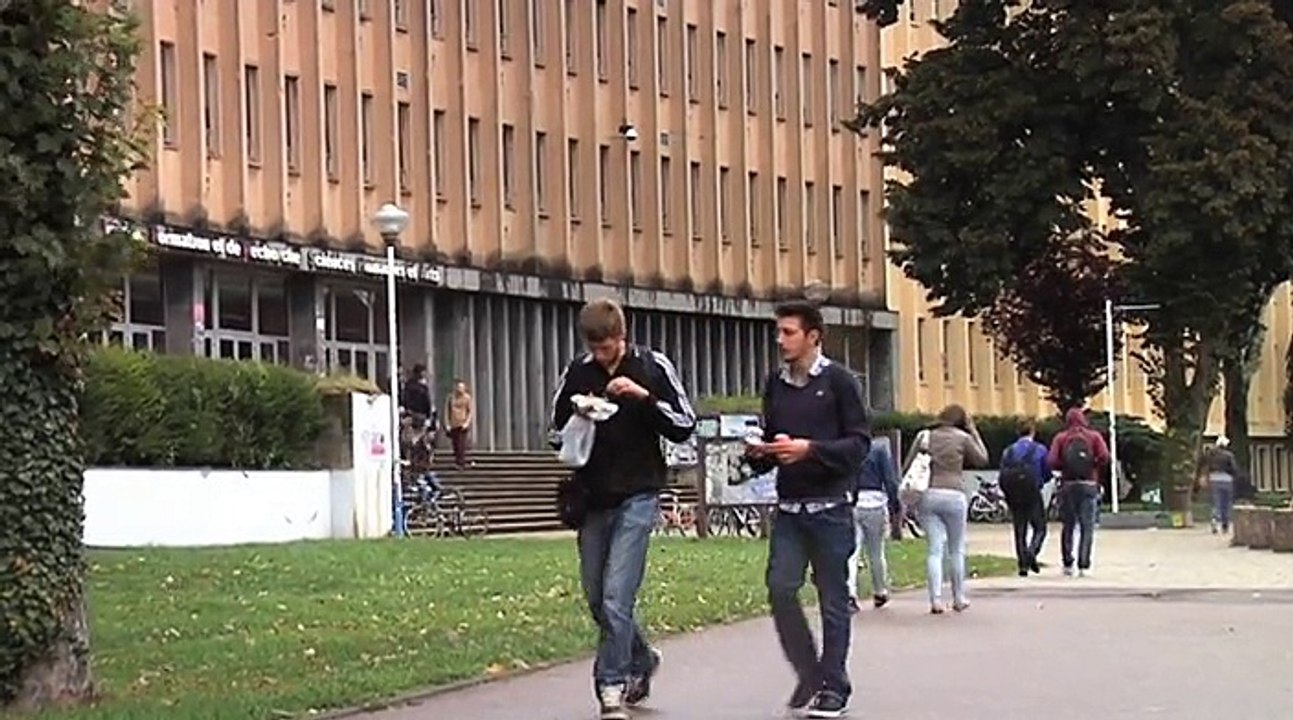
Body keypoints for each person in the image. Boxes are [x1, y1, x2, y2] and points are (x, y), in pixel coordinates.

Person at [549, 298, 696, 720]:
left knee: (617, 596)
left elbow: (685, 424)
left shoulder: (652, 365)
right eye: (594, 349)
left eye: (607, 347)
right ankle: (642, 656)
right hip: (593, 496)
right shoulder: (578, 372)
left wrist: (644, 398)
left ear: (622, 337)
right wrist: (579, 414)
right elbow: (554, 430)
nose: (601, 356)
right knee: (597, 599)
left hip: (639, 493)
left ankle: (610, 687)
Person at [746, 300, 870, 719]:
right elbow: (771, 440)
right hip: (790, 510)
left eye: (788, 332)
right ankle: (810, 672)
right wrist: (761, 452)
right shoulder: (775, 384)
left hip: (831, 509)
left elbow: (858, 445)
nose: (780, 340)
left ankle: (834, 686)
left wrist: (810, 450)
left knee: (833, 598)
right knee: (780, 587)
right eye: (778, 332)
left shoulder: (840, 382)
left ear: (813, 336)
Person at [920, 405, 989, 614]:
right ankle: (958, 597)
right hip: (954, 493)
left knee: (934, 550)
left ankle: (935, 600)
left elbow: (909, 465)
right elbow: (982, 459)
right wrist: (973, 431)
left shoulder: (925, 436)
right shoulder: (962, 438)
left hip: (929, 493)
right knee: (956, 549)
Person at [1047, 408, 1111, 577]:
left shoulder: (1061, 438)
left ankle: (1068, 563)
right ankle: (1084, 565)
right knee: (1087, 526)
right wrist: (1092, 464)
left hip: (1068, 485)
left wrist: (1064, 465)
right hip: (1089, 483)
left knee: (1068, 526)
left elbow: (1051, 460)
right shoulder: (1094, 437)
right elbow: (1105, 456)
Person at [847, 435, 900, 612]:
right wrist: (894, 503)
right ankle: (880, 590)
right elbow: (889, 479)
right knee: (876, 552)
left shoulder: (849, 448)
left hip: (852, 501)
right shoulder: (879, 449)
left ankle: (850, 592)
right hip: (875, 502)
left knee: (852, 552)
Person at [998, 421, 1050, 577]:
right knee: (1040, 527)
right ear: (1032, 432)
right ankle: (1031, 552)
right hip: (1032, 490)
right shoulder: (1039, 449)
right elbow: (1047, 470)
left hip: (1013, 492)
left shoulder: (1008, 451)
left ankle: (1022, 565)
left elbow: (1002, 471)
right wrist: (1042, 481)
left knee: (1020, 528)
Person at [1200, 436, 1242, 534]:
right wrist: (1236, 475)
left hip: (1214, 479)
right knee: (1226, 502)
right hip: (1227, 479)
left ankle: (1214, 518)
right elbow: (1234, 468)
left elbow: (1206, 466)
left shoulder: (1211, 455)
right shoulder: (1229, 455)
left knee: (1216, 501)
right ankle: (1225, 524)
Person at [445, 379, 474, 469]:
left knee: (461, 443)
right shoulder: (451, 397)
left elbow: (470, 411)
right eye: (458, 387)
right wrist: (447, 423)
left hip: (462, 423)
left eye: (461, 387)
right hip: (453, 423)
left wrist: (467, 423)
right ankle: (458, 461)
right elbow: (447, 411)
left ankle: (461, 463)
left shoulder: (467, 398)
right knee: (455, 444)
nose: (460, 389)